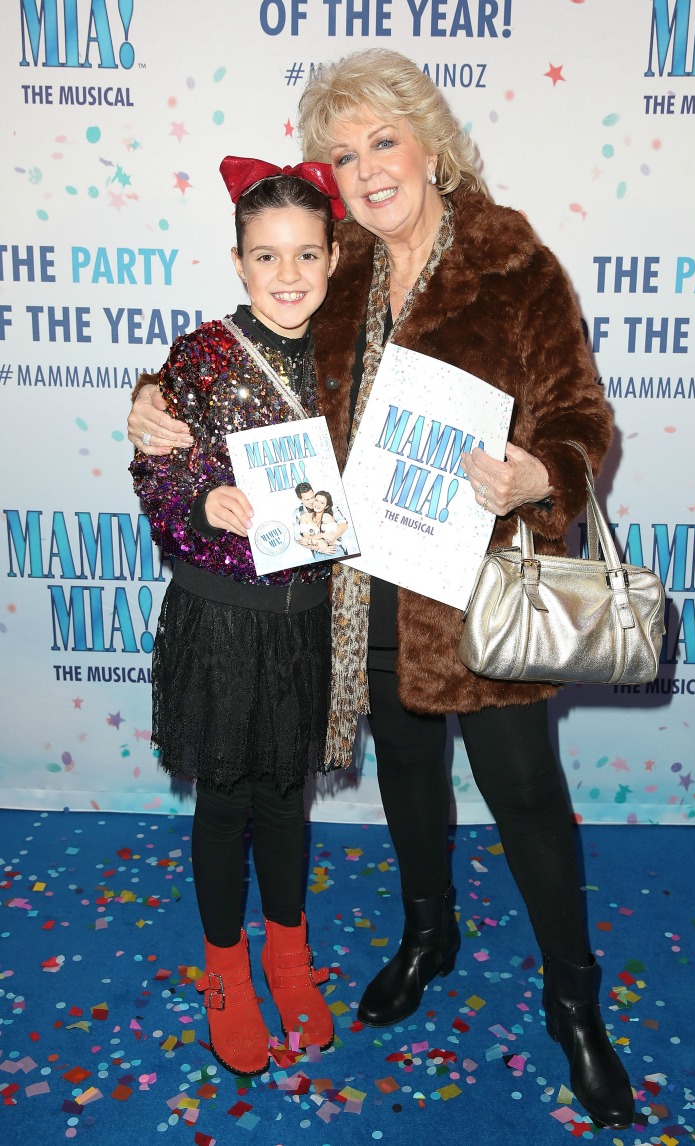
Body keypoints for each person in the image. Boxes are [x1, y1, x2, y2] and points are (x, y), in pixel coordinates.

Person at [127, 50, 634, 1128]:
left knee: (526, 796)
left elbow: (582, 416)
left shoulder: (509, 259)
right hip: (362, 595)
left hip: (478, 593)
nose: (363, 171)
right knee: (407, 773)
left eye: (381, 142)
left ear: (429, 142)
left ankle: (573, 1001)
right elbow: (245, 344)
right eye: (342, 154)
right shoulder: (339, 265)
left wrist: (542, 473)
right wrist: (152, 399)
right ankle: (426, 930)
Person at [129, 155, 345, 1077]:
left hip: (306, 619)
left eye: (305, 254)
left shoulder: (352, 358)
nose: (287, 275)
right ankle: (225, 971)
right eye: (267, 257)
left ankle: (287, 957)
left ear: (336, 257)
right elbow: (158, 460)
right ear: (238, 261)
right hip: (219, 619)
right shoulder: (203, 351)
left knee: (284, 799)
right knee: (225, 802)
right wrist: (196, 500)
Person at [297, 491, 348, 558]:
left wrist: (311, 540)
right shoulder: (304, 517)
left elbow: (330, 541)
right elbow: (304, 540)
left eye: (322, 503)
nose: (317, 504)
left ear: (326, 506)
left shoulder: (327, 517)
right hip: (318, 551)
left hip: (333, 550)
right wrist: (322, 536)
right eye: (316, 500)